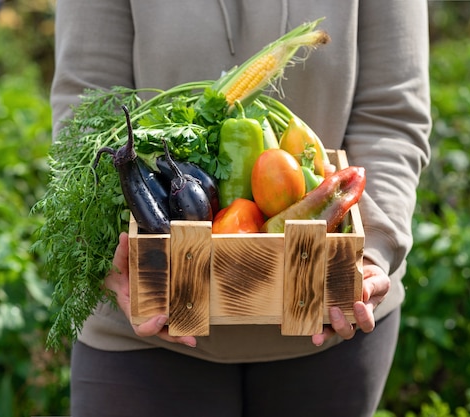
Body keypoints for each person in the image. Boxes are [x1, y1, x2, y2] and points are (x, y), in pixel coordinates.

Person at [50, 1, 431, 416]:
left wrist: (373, 250)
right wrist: (109, 251)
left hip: (325, 315)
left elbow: (391, 115)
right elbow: (85, 108)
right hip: (147, 325)